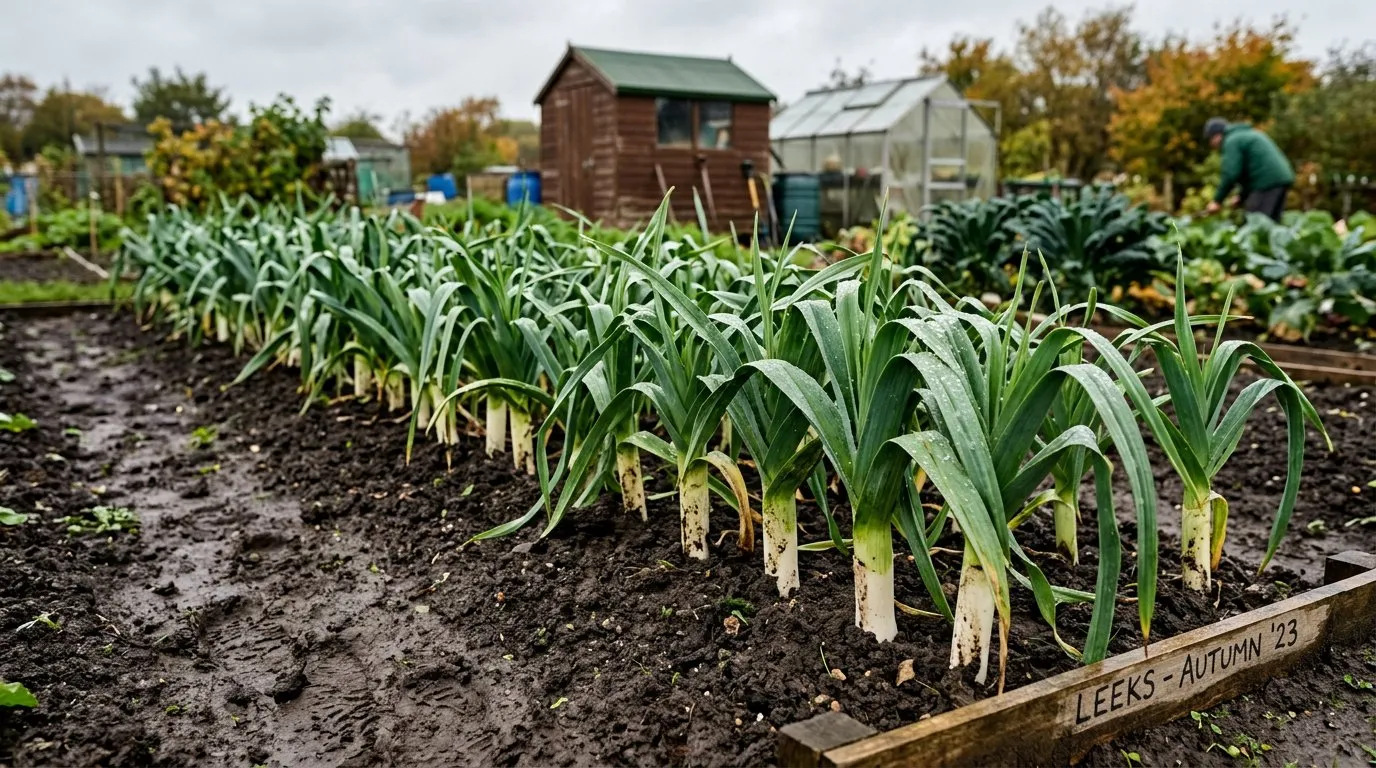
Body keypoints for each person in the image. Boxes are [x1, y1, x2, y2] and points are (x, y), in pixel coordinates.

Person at [1202, 117, 1295, 221]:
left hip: (1266, 183)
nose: (1211, 144)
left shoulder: (1231, 141)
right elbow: (1249, 172)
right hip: (1281, 179)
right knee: (1271, 225)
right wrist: (1241, 196)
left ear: (1217, 136)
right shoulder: (1246, 134)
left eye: (1210, 139)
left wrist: (1217, 201)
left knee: (1254, 225)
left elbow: (1230, 174)